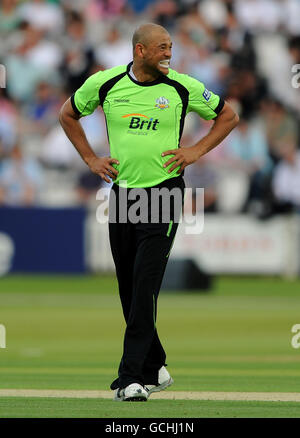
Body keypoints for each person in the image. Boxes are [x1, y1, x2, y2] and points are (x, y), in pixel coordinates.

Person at [59, 23, 239, 402]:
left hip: (164, 195)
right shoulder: (106, 84)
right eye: (161, 48)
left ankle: (129, 378)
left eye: (170, 47)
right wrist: (90, 158)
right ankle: (155, 366)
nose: (168, 54)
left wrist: (195, 151)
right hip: (122, 196)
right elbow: (67, 114)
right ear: (140, 51)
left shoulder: (182, 87)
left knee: (144, 285)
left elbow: (228, 116)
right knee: (128, 287)